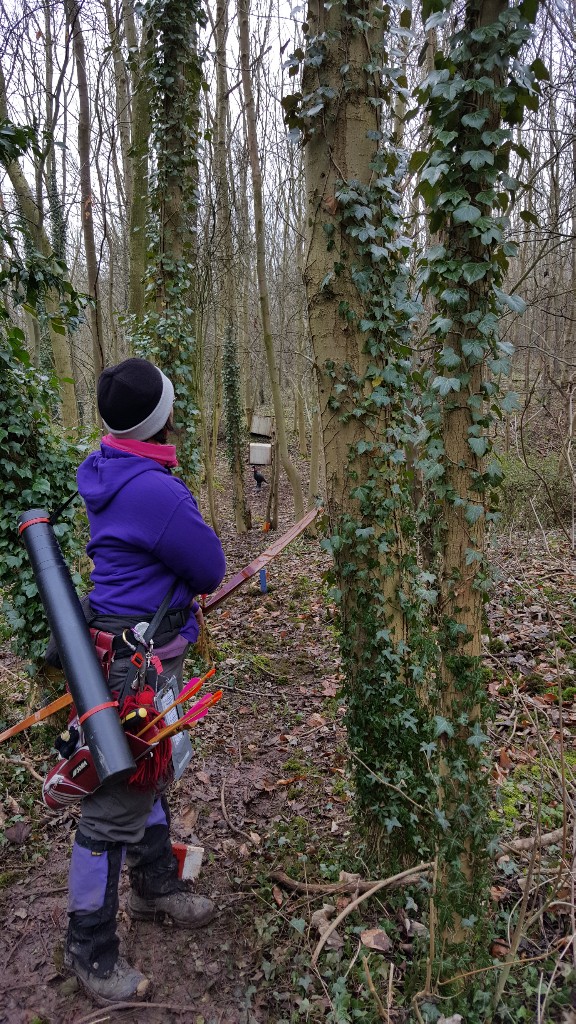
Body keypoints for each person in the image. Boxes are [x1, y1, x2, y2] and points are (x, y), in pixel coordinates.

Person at [65, 357, 226, 1006]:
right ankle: (90, 945)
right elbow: (209, 564)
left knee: (149, 770)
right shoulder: (153, 489)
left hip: (128, 655)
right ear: (158, 419)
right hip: (135, 664)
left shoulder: (109, 470)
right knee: (110, 808)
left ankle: (154, 880)